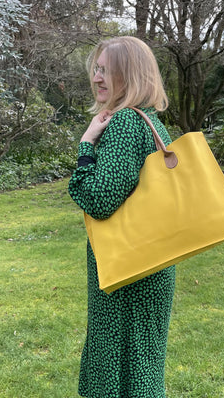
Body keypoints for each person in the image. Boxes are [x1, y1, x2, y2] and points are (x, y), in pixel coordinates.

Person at [68, 36, 176, 398]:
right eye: (96, 70)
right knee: (141, 363)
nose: (97, 79)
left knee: (120, 371)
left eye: (107, 71)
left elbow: (97, 199)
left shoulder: (126, 124)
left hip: (126, 272)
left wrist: (86, 144)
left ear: (129, 76)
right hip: (150, 261)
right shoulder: (151, 122)